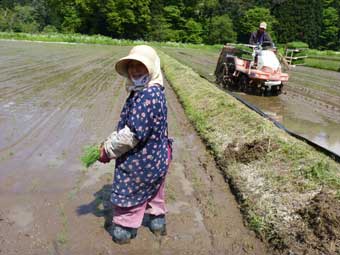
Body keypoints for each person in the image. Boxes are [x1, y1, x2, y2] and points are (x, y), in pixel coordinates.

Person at [98, 45, 172, 244]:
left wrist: (108, 149)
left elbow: (132, 134)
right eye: (131, 65)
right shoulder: (151, 90)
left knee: (130, 190)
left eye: (141, 65)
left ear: (152, 68)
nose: (135, 70)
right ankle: (158, 223)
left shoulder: (147, 96)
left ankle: (124, 230)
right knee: (155, 189)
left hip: (142, 160)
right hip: (158, 156)